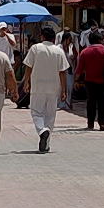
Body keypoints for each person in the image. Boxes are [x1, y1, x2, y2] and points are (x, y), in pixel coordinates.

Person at [23, 25, 68, 153]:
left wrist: (26, 82)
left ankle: (42, 131)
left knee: (36, 112)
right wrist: (64, 90)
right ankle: (46, 144)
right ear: (53, 38)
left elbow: (28, 67)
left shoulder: (35, 48)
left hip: (38, 86)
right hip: (54, 88)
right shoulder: (59, 51)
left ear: (42, 36)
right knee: (50, 116)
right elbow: (62, 72)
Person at [76, 31, 104, 131]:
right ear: (100, 40)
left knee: (91, 102)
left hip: (90, 81)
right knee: (102, 102)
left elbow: (79, 69)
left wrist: (76, 80)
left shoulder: (85, 52)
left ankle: (90, 123)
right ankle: (102, 124)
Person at [59, 31, 79, 110]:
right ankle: (62, 104)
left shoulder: (70, 48)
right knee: (62, 87)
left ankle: (68, 103)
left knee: (69, 87)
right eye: (69, 40)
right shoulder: (59, 48)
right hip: (62, 71)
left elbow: (74, 57)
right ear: (65, 39)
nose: (70, 42)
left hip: (70, 70)